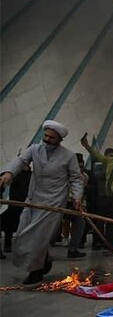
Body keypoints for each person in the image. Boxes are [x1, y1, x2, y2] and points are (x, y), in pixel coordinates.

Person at [0, 121, 83, 284]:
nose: (47, 139)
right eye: (45, 136)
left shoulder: (69, 156)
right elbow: (21, 161)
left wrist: (77, 197)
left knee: (38, 238)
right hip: (33, 200)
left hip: (53, 203)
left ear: (59, 139)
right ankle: (45, 260)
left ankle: (35, 272)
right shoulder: (34, 150)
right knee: (23, 233)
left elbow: (76, 178)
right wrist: (8, 173)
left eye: (51, 137)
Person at [0, 162, 31, 253]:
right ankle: (7, 245)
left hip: (26, 204)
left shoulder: (31, 175)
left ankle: (24, 247)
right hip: (14, 204)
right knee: (9, 226)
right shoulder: (14, 173)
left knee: (26, 227)